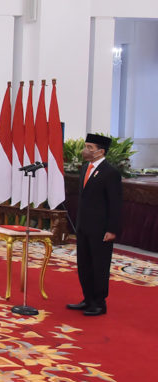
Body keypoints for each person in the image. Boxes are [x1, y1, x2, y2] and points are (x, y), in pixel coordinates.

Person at [67, 133, 122, 317]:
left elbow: (115, 203)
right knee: (84, 264)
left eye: (90, 147)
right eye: (86, 146)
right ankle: (87, 298)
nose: (86, 150)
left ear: (100, 151)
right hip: (83, 227)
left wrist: (112, 229)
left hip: (101, 229)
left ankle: (99, 303)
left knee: (99, 265)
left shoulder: (110, 173)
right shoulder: (85, 168)